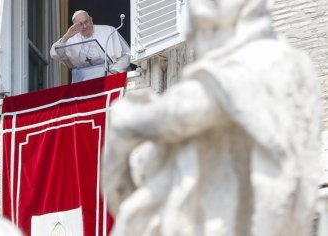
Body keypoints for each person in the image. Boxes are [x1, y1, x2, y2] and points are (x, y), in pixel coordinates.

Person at [102, 0, 322, 235]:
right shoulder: (292, 61)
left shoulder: (256, 61)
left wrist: (128, 120)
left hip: (240, 217)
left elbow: (185, 112)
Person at [50, 10, 130, 82]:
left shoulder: (109, 31)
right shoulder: (71, 40)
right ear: (75, 26)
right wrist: (66, 36)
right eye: (80, 24)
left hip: (110, 76)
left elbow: (126, 55)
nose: (85, 26)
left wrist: (115, 71)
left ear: (91, 19)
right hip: (83, 82)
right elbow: (54, 53)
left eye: (86, 22)